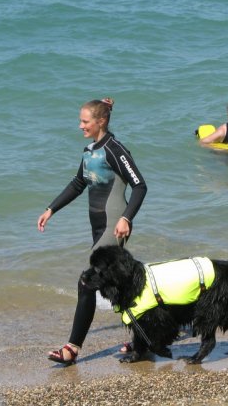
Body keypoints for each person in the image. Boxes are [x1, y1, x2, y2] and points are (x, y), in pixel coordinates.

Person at [37, 97, 147, 365]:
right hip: (97, 228)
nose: (80, 126)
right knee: (119, 285)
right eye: (80, 120)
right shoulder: (89, 151)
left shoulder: (115, 150)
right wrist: (51, 209)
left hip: (114, 225)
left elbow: (140, 186)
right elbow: (78, 183)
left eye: (85, 121)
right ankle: (145, 337)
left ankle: (71, 348)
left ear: (101, 121)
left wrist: (126, 218)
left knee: (87, 281)